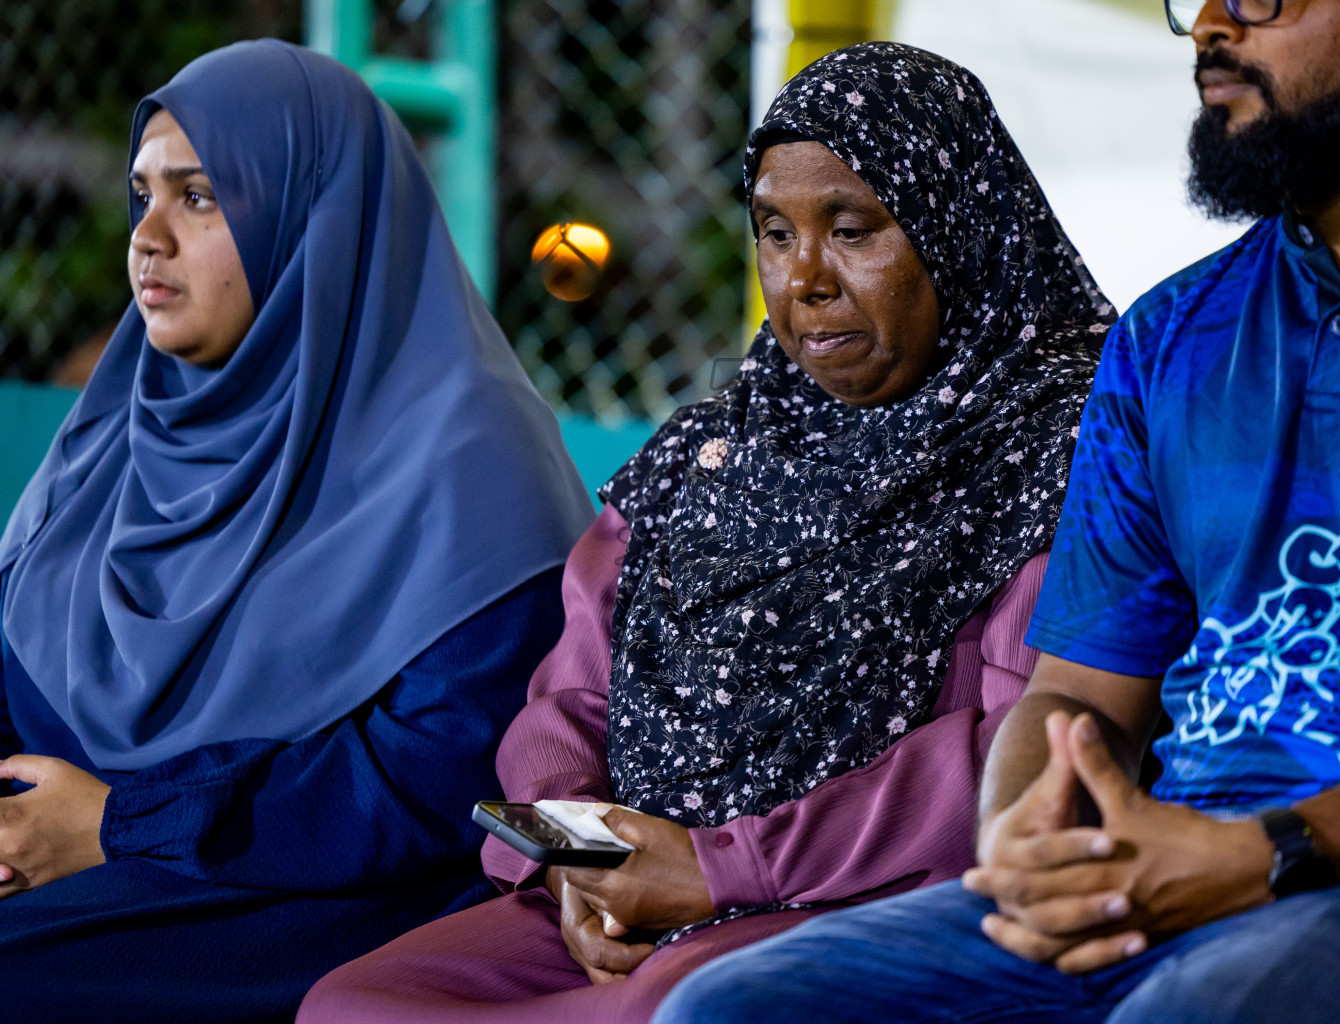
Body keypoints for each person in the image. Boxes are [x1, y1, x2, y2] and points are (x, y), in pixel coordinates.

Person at [653, 1, 1340, 1023]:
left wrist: (1268, 850)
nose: (1210, 24)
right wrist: (1026, 842)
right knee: (734, 1007)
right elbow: (1076, 694)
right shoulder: (1171, 336)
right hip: (1177, 860)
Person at [297, 41, 1114, 1024]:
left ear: (960, 233)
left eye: (852, 230)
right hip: (635, 890)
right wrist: (574, 861)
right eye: (774, 232)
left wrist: (720, 866)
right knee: (353, 1002)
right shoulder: (712, 448)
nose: (803, 277)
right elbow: (575, 692)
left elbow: (1016, 747)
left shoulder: (1057, 449)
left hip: (864, 899)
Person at [0, 40, 593, 1023]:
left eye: (199, 197)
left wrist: (121, 823)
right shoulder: (119, 434)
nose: (149, 238)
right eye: (143, 196)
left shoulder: (467, 463)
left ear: (317, 219)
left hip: (316, 892)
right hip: (99, 854)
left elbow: (438, 781)